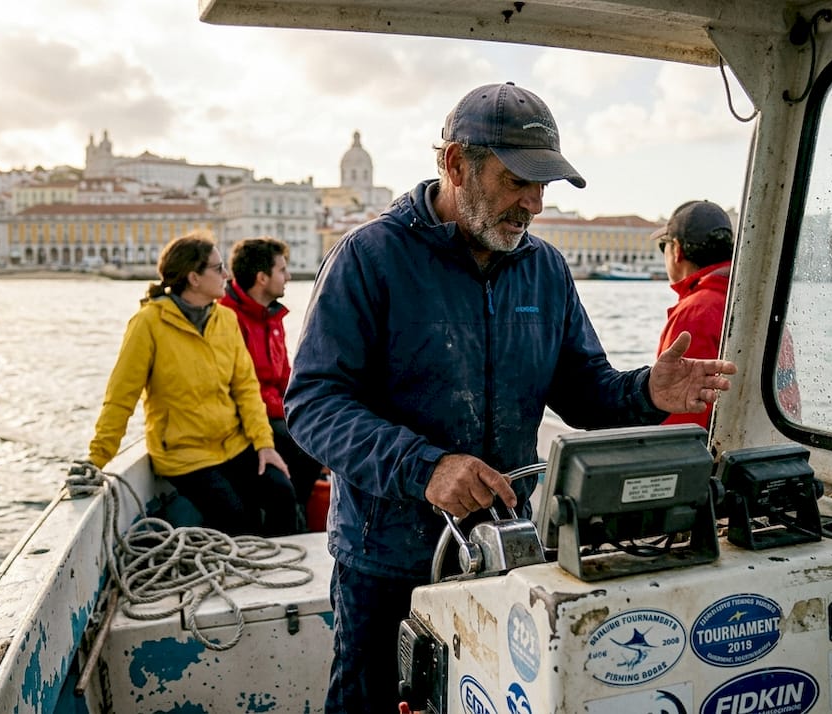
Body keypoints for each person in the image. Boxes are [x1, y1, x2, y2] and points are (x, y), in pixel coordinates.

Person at [283, 82, 737, 712]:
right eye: (517, 180)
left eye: (543, 185)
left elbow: (586, 391)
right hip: (384, 556)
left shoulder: (545, 268)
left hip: (502, 550)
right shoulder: (368, 258)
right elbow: (313, 404)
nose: (534, 203)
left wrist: (646, 391)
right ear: (453, 164)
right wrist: (427, 468)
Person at [87, 230, 297, 537]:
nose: (227, 274)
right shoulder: (148, 324)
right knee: (238, 518)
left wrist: (264, 445)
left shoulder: (224, 320)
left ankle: (284, 577)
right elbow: (121, 398)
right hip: (184, 453)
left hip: (232, 444)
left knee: (281, 492)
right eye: (218, 268)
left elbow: (246, 389)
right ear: (193, 278)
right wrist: (97, 458)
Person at [653, 200, 801, 429]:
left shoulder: (694, 313)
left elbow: (682, 423)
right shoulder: (759, 305)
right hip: (773, 453)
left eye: (664, 246)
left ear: (677, 251)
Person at [220, 236, 323, 528]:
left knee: (317, 432)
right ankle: (293, 518)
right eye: (282, 270)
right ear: (262, 278)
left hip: (274, 410)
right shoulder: (228, 318)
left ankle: (298, 512)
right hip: (249, 416)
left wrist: (305, 406)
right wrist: (288, 411)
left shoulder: (272, 317)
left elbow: (285, 378)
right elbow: (240, 386)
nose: (288, 276)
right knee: (307, 444)